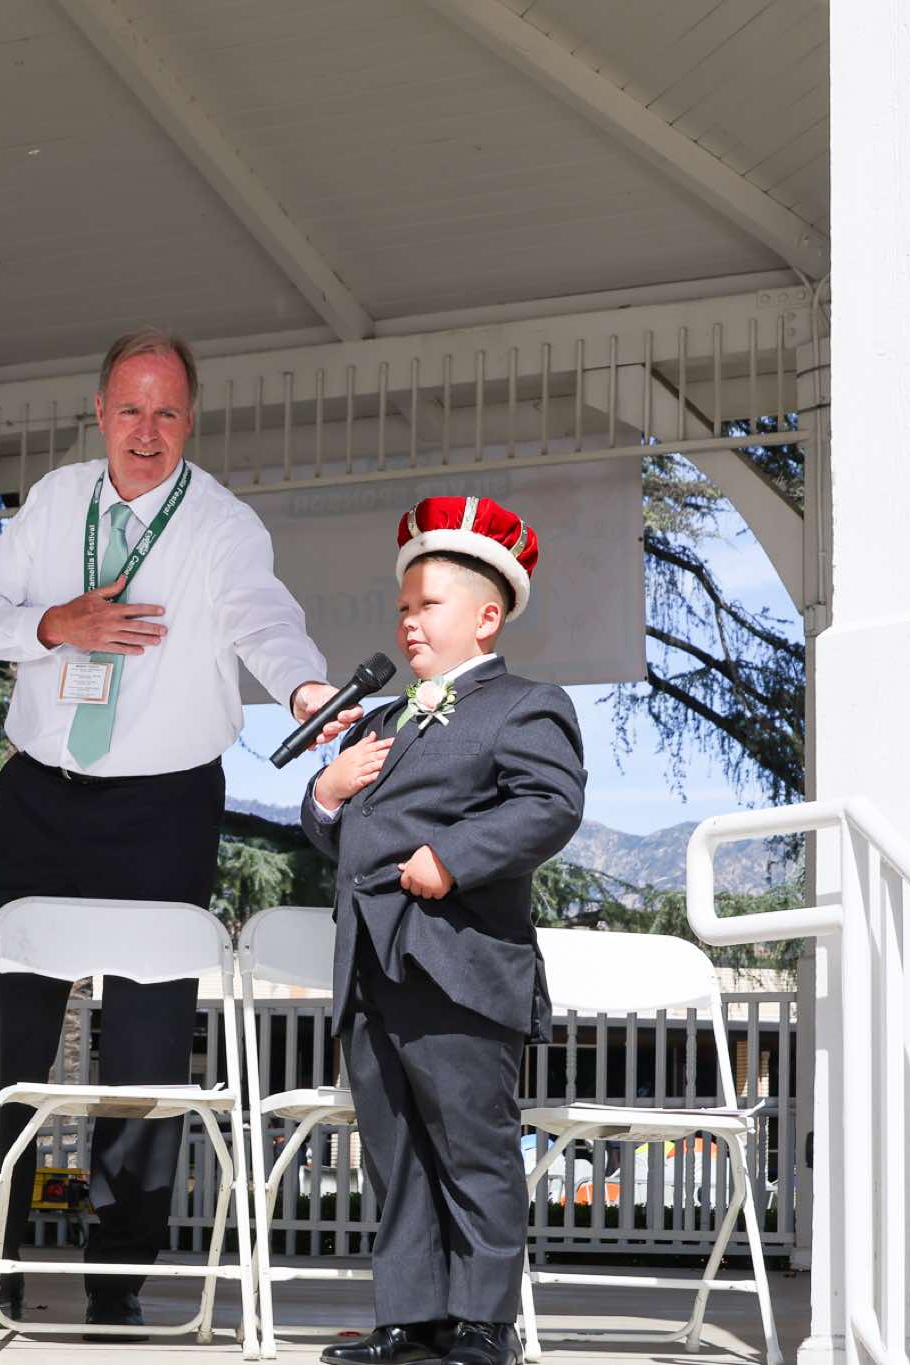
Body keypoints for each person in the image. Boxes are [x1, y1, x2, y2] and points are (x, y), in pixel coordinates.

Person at [0, 328, 357, 1335]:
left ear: (191, 421)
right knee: (5, 1038)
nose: (146, 430)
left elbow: (262, 617)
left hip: (161, 811)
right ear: (98, 413)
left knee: (144, 1055)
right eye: (129, 409)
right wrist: (56, 626)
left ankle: (117, 1284)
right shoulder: (57, 502)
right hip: (39, 802)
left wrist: (305, 685)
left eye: (166, 412)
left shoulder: (219, 523)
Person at [301, 496, 587, 1365]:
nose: (409, 620)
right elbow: (342, 833)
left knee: (472, 1144)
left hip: (457, 960)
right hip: (371, 958)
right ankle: (409, 1316)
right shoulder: (384, 717)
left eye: (428, 603)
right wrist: (327, 794)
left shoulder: (526, 704)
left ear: (486, 617)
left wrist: (452, 858)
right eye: (403, 606)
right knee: (394, 1149)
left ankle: (483, 1321)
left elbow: (550, 803)